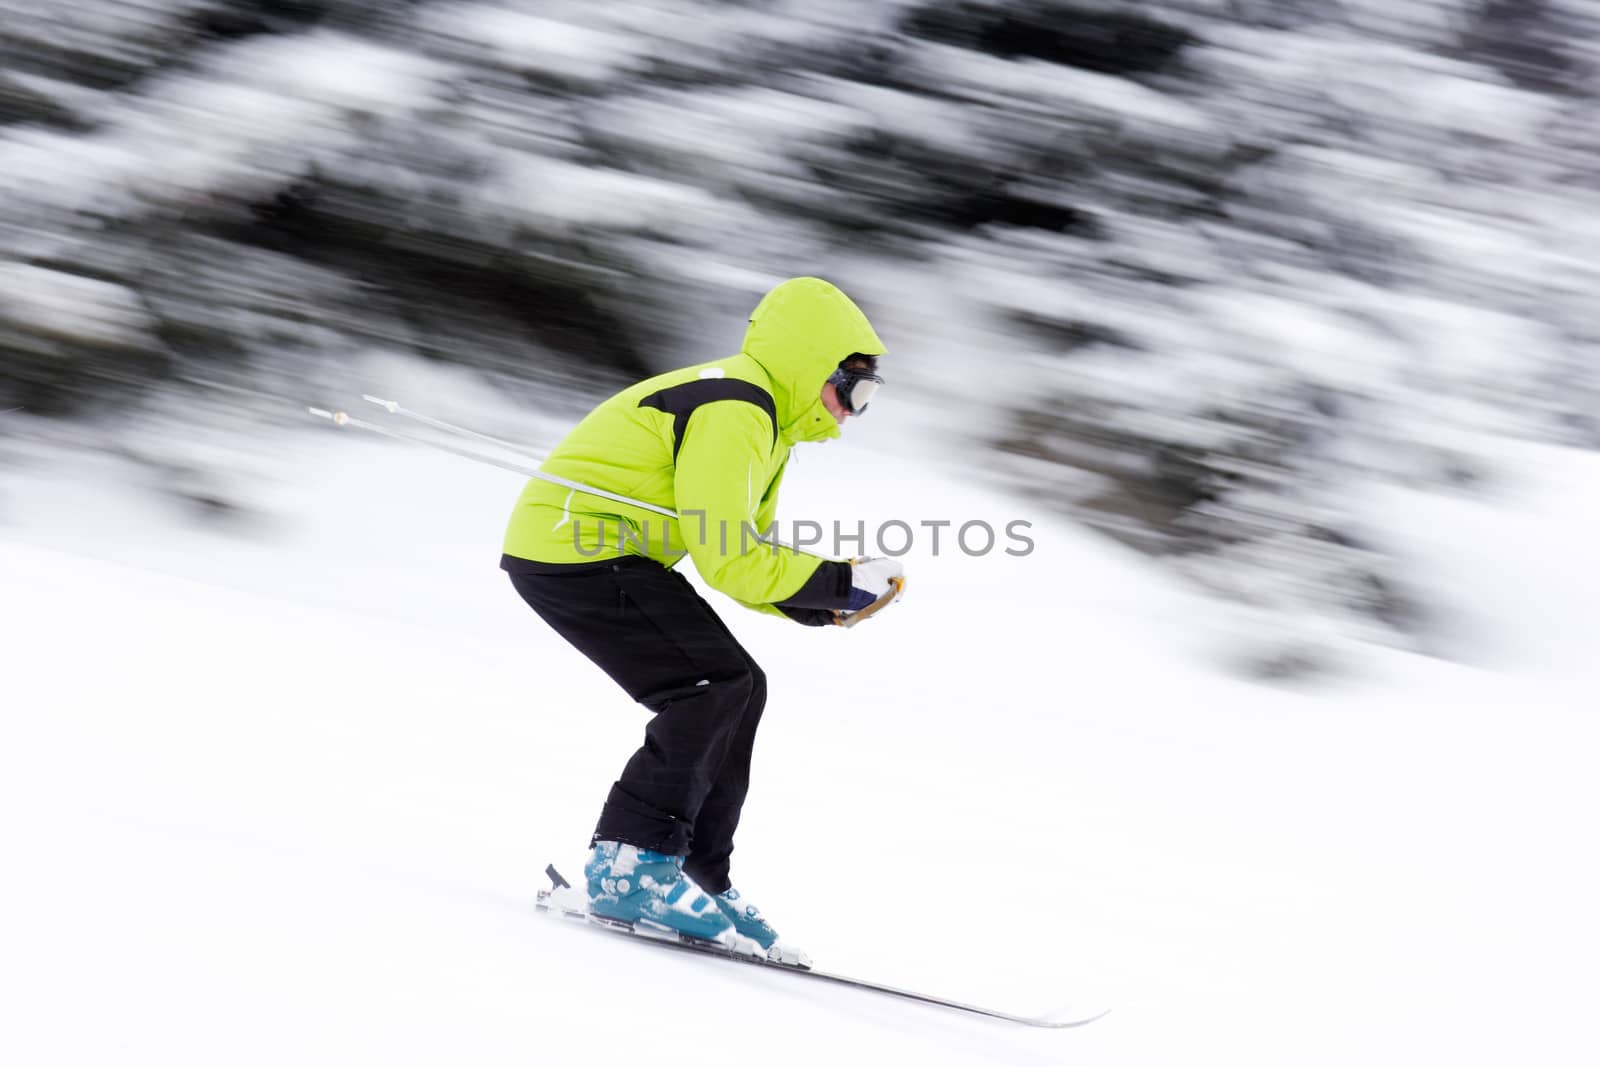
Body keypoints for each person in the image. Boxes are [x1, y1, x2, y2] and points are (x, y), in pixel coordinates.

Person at [500, 277, 904, 960]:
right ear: (813, 366)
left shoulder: (765, 421)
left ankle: (692, 870)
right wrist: (835, 581)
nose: (849, 414)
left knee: (740, 685)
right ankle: (631, 864)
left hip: (611, 556)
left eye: (867, 401)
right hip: (574, 549)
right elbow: (726, 558)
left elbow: (745, 557)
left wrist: (827, 601)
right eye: (851, 392)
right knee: (710, 684)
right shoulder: (735, 407)